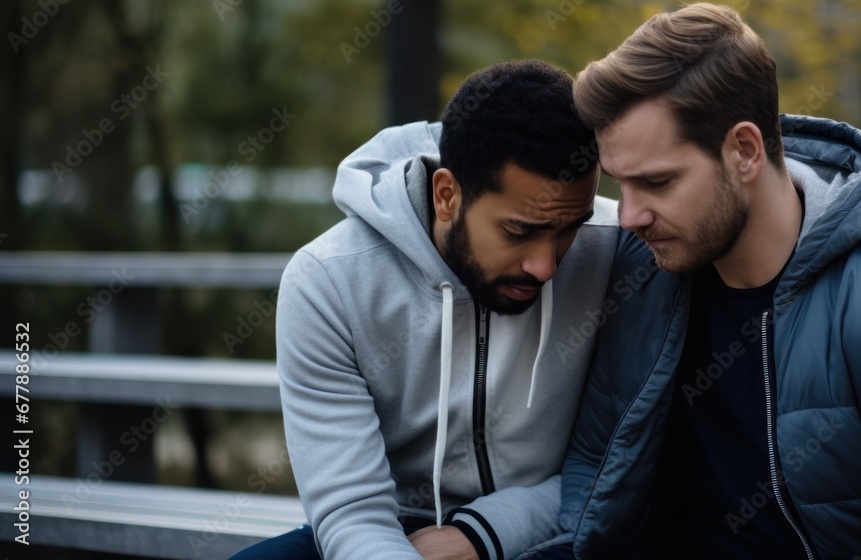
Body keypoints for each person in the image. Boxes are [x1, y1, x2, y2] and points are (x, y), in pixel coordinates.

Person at [551, 3, 861, 559]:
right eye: (621, 185)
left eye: (657, 182)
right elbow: (593, 490)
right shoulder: (638, 277)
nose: (628, 216)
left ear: (744, 151)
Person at [229, 59, 619, 560]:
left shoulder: (619, 252)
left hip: (557, 527)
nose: (545, 265)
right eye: (519, 231)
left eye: (569, 228)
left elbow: (625, 467)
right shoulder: (328, 281)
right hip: (395, 533)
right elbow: (351, 513)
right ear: (447, 195)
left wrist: (485, 533)